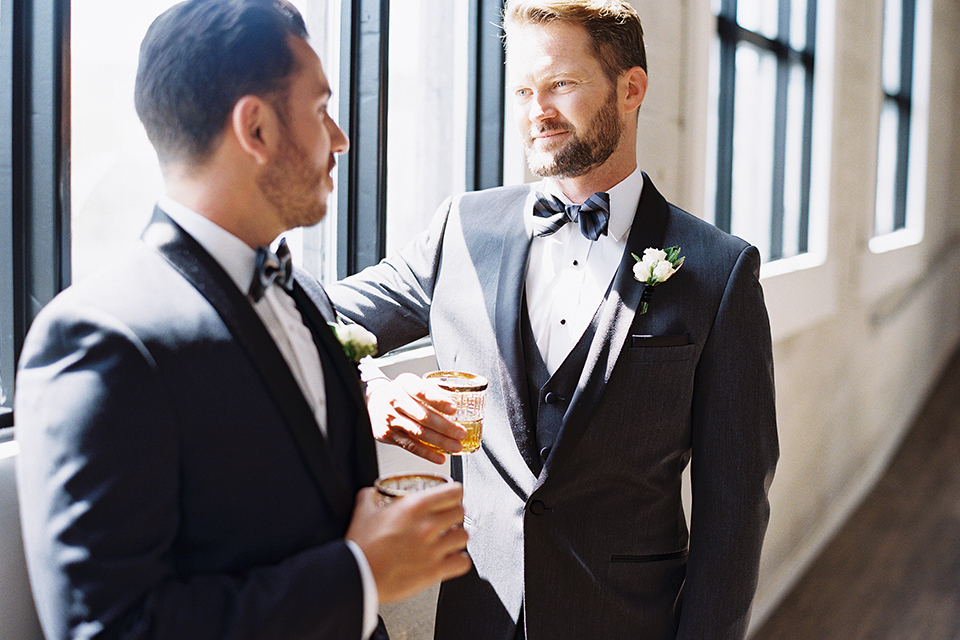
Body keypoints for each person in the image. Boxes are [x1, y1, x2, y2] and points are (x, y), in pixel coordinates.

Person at [14, 1, 470, 639]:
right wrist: (359, 575)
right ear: (255, 128)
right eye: (319, 111)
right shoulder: (103, 338)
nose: (339, 138)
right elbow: (113, 628)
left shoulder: (306, 295)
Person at [327, 1, 779, 638]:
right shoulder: (463, 228)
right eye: (522, 88)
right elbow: (316, 315)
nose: (536, 110)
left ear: (632, 88)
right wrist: (373, 388)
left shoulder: (719, 271)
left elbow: (733, 511)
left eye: (561, 84)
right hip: (477, 617)